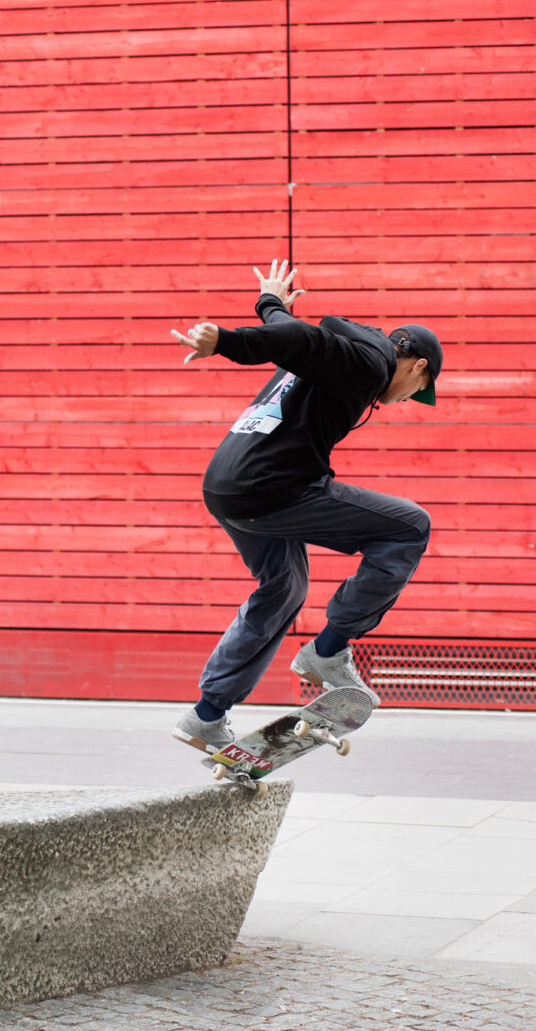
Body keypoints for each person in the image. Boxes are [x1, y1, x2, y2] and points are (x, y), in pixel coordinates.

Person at [168, 259, 443, 756]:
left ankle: (207, 715)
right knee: (409, 527)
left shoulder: (353, 352)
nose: (399, 403)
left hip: (227, 485)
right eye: (411, 396)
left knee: (284, 586)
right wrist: (226, 343)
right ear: (417, 366)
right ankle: (330, 649)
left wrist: (269, 302)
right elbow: (299, 340)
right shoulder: (372, 362)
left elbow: (292, 333)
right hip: (272, 489)